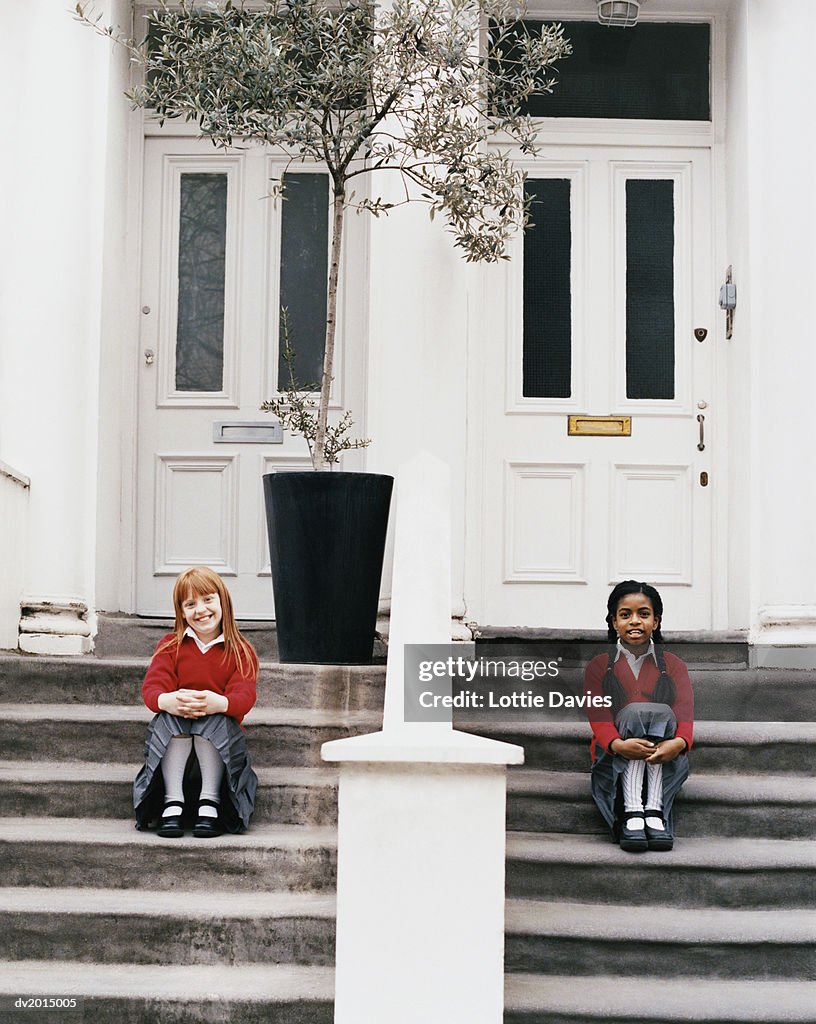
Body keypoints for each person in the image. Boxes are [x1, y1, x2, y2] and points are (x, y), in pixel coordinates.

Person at [133, 566, 259, 838]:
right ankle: (173, 800)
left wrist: (220, 704)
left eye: (208, 600)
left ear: (223, 601)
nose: (200, 609)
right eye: (190, 604)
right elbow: (152, 689)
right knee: (169, 719)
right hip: (178, 733)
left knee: (212, 721)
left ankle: (210, 801)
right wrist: (168, 700)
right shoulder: (170, 646)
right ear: (181, 612)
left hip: (220, 740)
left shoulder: (240, 651)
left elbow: (245, 696)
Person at [584, 580, 693, 852]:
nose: (635, 621)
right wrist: (618, 744)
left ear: (655, 621)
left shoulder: (673, 665)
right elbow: (597, 715)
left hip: (664, 753)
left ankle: (653, 809)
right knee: (633, 712)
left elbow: (684, 712)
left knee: (662, 712)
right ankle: (633, 809)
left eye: (644, 614)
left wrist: (678, 743)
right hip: (615, 751)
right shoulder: (599, 666)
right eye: (625, 615)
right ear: (613, 622)